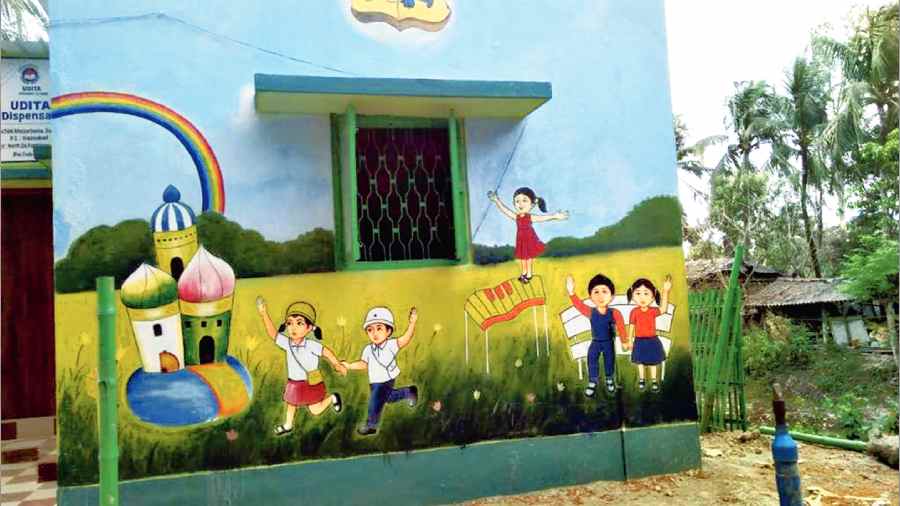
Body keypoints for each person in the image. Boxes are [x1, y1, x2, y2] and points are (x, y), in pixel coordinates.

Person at [256, 298, 346, 436]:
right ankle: (288, 425)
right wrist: (264, 314)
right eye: (290, 323)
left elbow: (326, 352)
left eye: (299, 323)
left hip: (310, 382)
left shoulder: (311, 345)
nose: (293, 327)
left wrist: (336, 364)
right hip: (294, 383)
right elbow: (273, 334)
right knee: (291, 404)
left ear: (309, 328)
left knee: (316, 410)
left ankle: (332, 398)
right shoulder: (287, 343)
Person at [342, 306, 419, 436]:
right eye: (370, 330)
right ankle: (408, 392)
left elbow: (406, 339)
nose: (374, 333)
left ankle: (371, 425)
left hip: (386, 380)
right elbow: (363, 364)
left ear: (388, 331)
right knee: (388, 398)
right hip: (374, 381)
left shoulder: (391, 345)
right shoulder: (368, 349)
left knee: (375, 401)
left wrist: (412, 323)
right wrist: (349, 366)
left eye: (379, 328)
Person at [487, 187, 568, 283]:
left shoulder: (530, 217)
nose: (520, 204)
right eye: (517, 201)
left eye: (524, 201)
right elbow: (505, 210)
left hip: (529, 239)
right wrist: (497, 200)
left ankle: (529, 274)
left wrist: (555, 216)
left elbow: (543, 218)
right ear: (514, 203)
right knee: (522, 257)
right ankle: (524, 272)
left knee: (528, 257)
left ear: (532, 204)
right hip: (520, 240)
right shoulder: (516, 217)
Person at [566, 273, 628, 395]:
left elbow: (621, 326)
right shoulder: (591, 311)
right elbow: (579, 305)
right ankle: (593, 381)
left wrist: (624, 341)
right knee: (591, 358)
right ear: (590, 296)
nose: (600, 296)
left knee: (609, 360)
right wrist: (571, 292)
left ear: (612, 296)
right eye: (596, 292)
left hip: (608, 342)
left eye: (605, 291)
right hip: (595, 341)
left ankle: (610, 379)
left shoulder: (614, 312)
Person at [626, 276, 672, 393]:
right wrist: (630, 340)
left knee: (653, 362)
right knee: (640, 361)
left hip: (652, 340)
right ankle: (641, 379)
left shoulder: (652, 311)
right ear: (633, 295)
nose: (642, 297)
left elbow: (663, 309)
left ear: (652, 297)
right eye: (638, 293)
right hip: (639, 341)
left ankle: (654, 380)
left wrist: (666, 291)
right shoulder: (634, 312)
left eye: (646, 293)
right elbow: (631, 326)